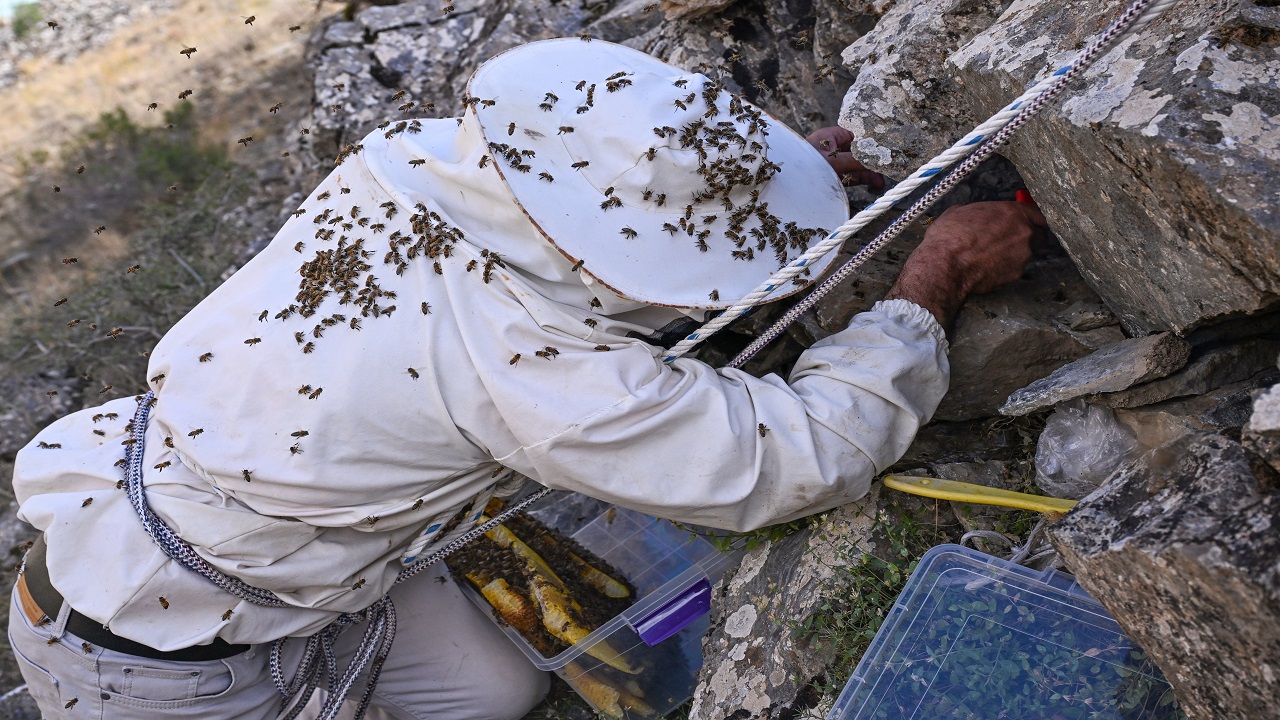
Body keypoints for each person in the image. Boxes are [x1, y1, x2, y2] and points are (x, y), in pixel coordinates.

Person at [7, 39, 1044, 720]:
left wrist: (741, 213)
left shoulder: (404, 166)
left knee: (495, 690)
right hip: (157, 671)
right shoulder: (528, 369)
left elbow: (555, 260)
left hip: (168, 525)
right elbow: (798, 457)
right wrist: (928, 279)